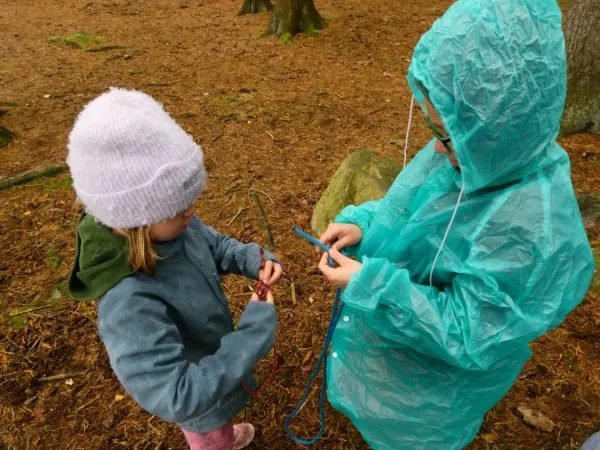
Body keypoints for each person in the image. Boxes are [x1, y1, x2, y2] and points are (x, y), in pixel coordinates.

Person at [315, 0, 595, 448]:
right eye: (434, 128)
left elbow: (469, 334)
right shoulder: (475, 152)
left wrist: (373, 286)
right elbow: (412, 206)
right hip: (393, 360)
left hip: (432, 397)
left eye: (446, 135)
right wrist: (365, 225)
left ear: (498, 127)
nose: (437, 147)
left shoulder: (533, 231)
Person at [66, 88, 283, 450]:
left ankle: (224, 434)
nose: (191, 212)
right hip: (200, 401)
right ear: (136, 217)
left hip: (215, 361)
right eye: (179, 208)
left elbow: (215, 245)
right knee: (211, 436)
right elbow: (178, 394)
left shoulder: (174, 227)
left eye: (190, 201)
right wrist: (253, 333)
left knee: (220, 423)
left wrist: (253, 258)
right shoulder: (127, 302)